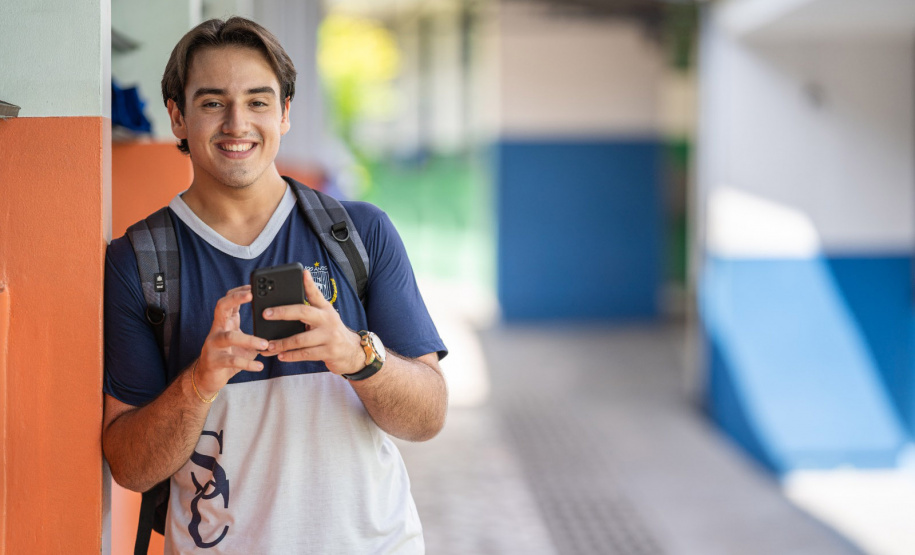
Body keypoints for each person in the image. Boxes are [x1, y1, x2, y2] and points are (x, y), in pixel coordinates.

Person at [101, 17, 448, 554]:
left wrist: (357, 356)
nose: (238, 123)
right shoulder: (138, 262)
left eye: (259, 102)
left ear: (284, 112)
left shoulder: (360, 232)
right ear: (177, 116)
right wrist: (200, 382)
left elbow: (428, 416)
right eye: (213, 102)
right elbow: (130, 466)